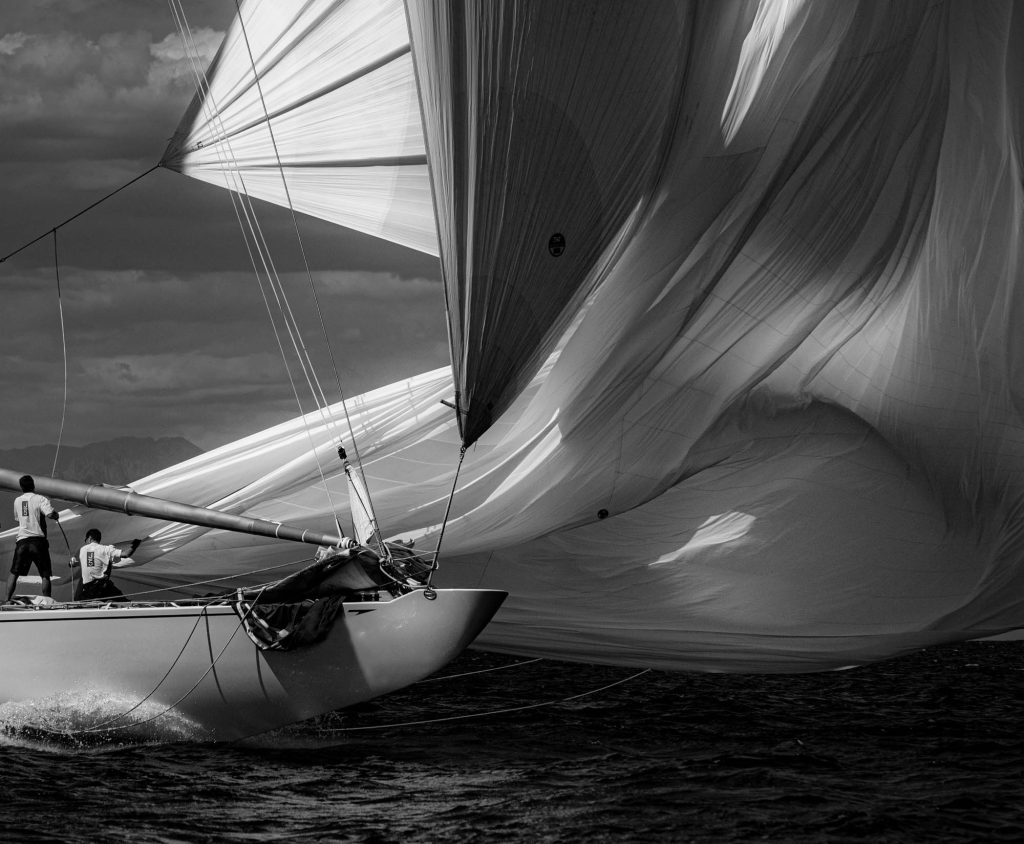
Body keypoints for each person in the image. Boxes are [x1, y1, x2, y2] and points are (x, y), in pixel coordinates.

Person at [6, 474, 60, 602]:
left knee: (14, 573)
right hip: (38, 541)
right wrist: (56, 515)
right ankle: (47, 602)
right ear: (34, 485)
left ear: (21, 487)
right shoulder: (40, 499)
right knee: (45, 575)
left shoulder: (17, 501)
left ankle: (6, 601)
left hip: (22, 541)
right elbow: (50, 514)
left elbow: (18, 518)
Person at [69, 529, 141, 602]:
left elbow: (87, 563)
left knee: (82, 591)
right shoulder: (105, 549)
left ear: (89, 538)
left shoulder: (83, 549)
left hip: (88, 590)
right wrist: (135, 545)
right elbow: (126, 554)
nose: (85, 542)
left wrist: (73, 563)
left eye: (86, 540)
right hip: (101, 588)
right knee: (124, 601)